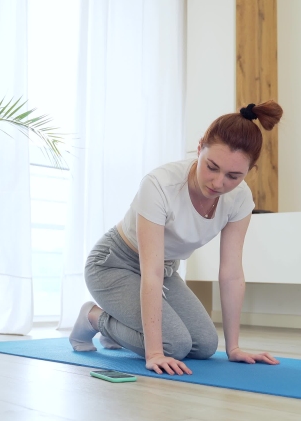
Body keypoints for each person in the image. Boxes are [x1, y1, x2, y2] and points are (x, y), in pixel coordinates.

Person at [69, 101, 284, 375]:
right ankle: (93, 317)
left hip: (165, 270)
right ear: (199, 148)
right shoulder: (160, 185)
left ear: (249, 172)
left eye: (233, 176)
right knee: (174, 345)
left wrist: (234, 348)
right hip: (113, 264)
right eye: (212, 167)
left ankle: (122, 328)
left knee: (205, 346)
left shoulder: (240, 199)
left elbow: (231, 274)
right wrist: (155, 353)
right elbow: (151, 272)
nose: (218, 183)